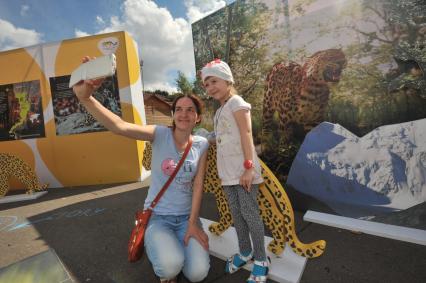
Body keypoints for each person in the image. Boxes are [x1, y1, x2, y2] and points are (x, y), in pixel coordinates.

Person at [73, 57, 210, 283]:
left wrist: (194, 223)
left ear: (198, 117)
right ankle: (166, 265)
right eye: (179, 109)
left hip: (186, 218)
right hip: (158, 218)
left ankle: (174, 248)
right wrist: (86, 98)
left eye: (190, 110)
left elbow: (197, 185)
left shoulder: (201, 144)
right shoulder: (159, 133)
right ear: (173, 114)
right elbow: (120, 126)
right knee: (169, 267)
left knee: (197, 274)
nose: (184, 114)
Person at [201, 59, 269, 283]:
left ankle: (261, 259)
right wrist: (203, 139)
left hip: (243, 172)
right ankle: (245, 251)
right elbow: (220, 137)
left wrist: (249, 168)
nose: (210, 87)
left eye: (214, 81)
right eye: (206, 84)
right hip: (227, 175)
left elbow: (246, 134)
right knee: (237, 217)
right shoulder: (219, 111)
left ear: (227, 80)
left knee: (250, 215)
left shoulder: (237, 102)